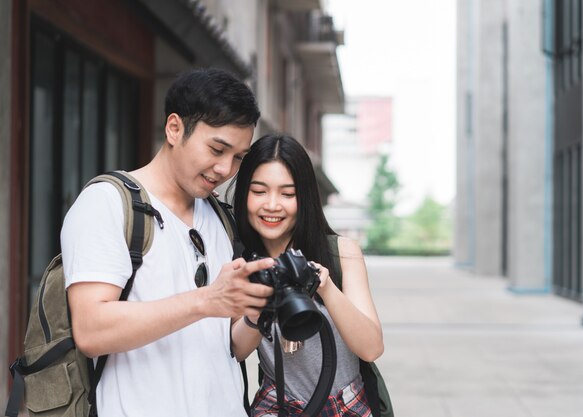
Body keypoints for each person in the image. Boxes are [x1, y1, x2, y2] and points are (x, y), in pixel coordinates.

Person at [61, 68, 275, 417]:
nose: (225, 169)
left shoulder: (221, 218)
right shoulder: (107, 204)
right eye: (217, 149)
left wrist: (256, 310)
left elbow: (229, 348)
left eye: (238, 157)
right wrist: (207, 299)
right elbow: (91, 330)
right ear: (174, 128)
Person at [230, 133, 385, 416]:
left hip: (347, 404)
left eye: (288, 194)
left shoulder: (341, 253)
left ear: (305, 198)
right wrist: (258, 307)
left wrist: (325, 288)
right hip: (277, 404)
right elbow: (236, 352)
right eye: (259, 191)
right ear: (244, 194)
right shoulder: (239, 261)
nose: (272, 205)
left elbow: (371, 348)